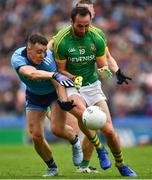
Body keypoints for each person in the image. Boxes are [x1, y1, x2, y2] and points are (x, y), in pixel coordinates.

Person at [52, 7, 137, 177]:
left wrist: (106, 70)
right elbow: (60, 71)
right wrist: (73, 77)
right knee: (86, 115)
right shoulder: (61, 41)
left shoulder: (97, 36)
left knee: (109, 130)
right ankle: (100, 149)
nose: (83, 30)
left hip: (92, 84)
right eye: (79, 26)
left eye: (86, 25)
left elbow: (101, 63)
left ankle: (121, 164)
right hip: (71, 85)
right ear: (71, 22)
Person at [11, 33, 83, 177]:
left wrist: (63, 100)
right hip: (34, 95)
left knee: (57, 130)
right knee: (36, 136)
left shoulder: (49, 60)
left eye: (44, 51)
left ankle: (75, 141)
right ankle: (52, 167)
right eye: (38, 52)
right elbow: (30, 73)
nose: (42, 55)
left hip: (53, 95)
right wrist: (53, 75)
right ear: (28, 50)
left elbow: (58, 84)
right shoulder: (17, 57)